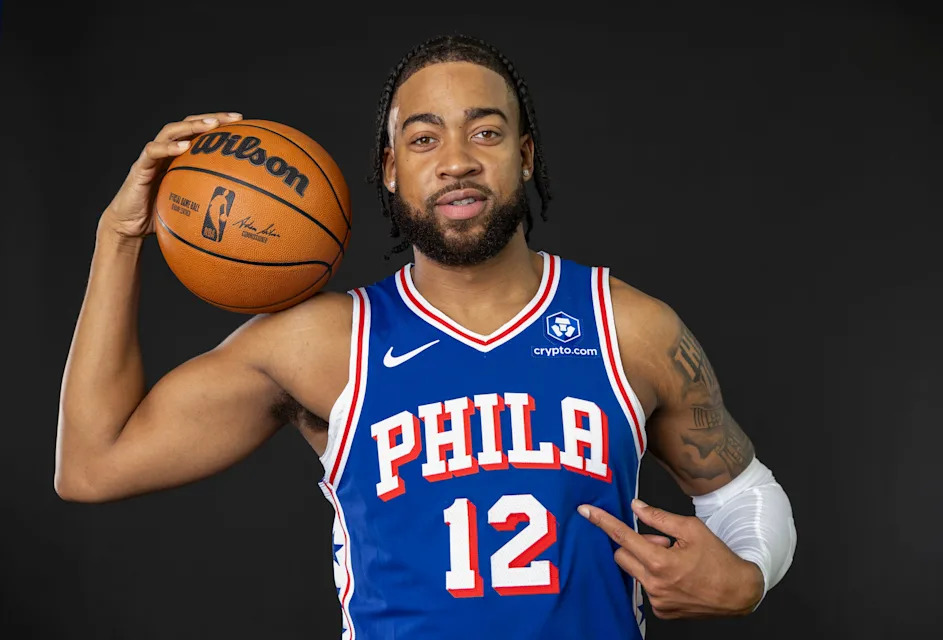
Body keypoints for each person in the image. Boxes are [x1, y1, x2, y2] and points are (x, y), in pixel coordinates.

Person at [56, 34, 796, 639]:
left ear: (525, 156)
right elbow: (92, 463)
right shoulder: (325, 343)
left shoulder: (627, 327)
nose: (456, 161)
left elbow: (743, 492)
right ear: (389, 169)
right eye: (423, 138)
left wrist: (748, 577)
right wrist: (117, 237)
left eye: (485, 132)